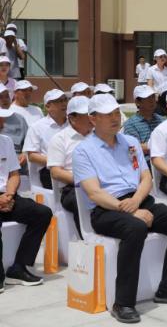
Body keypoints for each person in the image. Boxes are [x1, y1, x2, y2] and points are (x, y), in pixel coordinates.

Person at [73, 94, 167, 323]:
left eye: (115, 113)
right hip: (107, 208)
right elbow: (94, 193)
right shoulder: (83, 150)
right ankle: (123, 302)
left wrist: (137, 202)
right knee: (135, 228)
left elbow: (146, 177)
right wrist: (128, 209)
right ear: (92, 119)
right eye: (107, 114)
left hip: (138, 200)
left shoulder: (129, 143)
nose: (114, 118)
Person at [0, 106, 52, 288]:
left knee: (42, 213)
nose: (3, 123)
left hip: (7, 195)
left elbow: (14, 174)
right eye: (0, 119)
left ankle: (19, 267)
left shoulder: (5, 141)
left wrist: (9, 195)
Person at [47, 96, 92, 237]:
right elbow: (56, 172)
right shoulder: (60, 139)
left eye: (92, 113)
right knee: (86, 200)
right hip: (72, 188)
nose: (92, 117)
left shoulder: (98, 135)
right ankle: (88, 238)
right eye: (87, 115)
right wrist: (85, 181)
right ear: (72, 118)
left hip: (101, 183)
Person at [23, 89, 69, 189]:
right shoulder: (37, 127)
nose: (64, 103)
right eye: (58, 101)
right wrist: (56, 162)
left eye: (65, 100)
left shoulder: (73, 124)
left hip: (74, 168)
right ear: (48, 106)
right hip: (49, 170)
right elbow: (32, 156)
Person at [122, 85, 165, 166]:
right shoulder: (130, 124)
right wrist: (160, 145)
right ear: (137, 102)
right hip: (144, 164)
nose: (152, 100)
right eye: (147, 98)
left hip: (166, 159)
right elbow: (133, 149)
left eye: (152, 97)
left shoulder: (162, 120)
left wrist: (146, 146)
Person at [0, 84, 27, 158]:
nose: (5, 99)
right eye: (0, 97)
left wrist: (24, 154)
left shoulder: (19, 118)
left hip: (16, 157)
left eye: (7, 96)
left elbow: (28, 143)